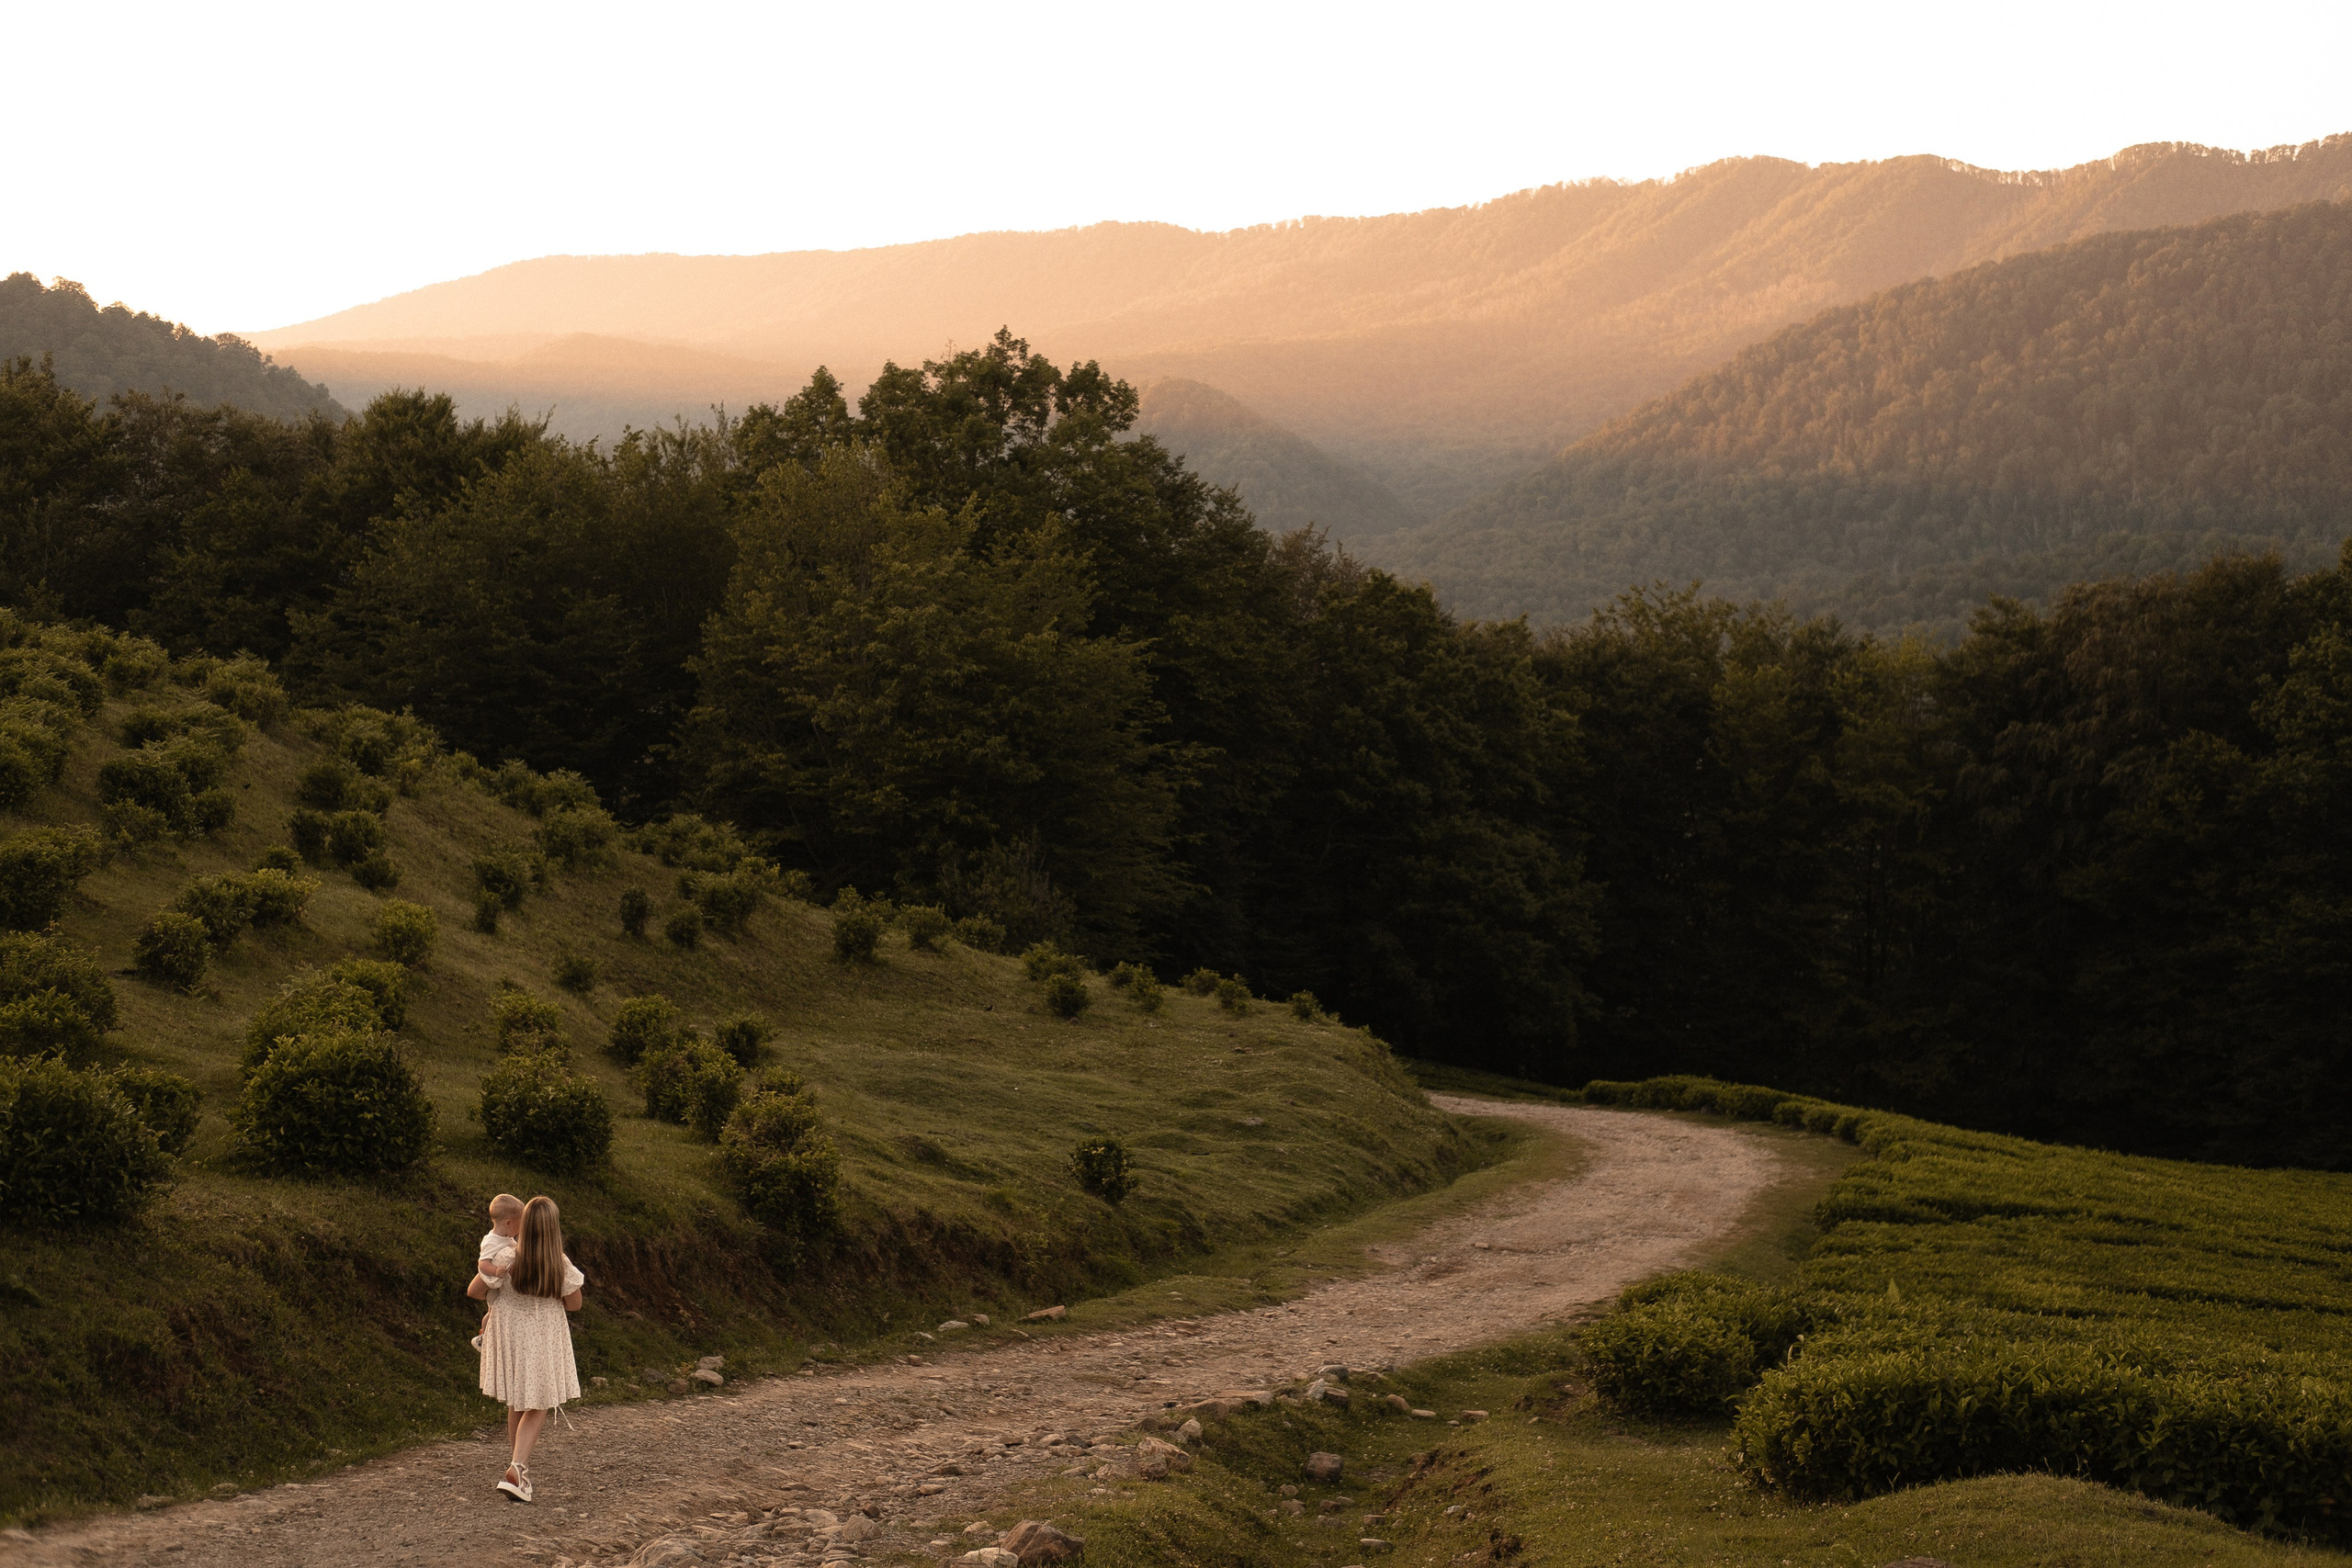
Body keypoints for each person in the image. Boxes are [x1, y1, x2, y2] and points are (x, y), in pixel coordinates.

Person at [474, 1194, 584, 1503]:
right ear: (552, 1230)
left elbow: (476, 1289)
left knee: (518, 1403)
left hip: (512, 1339)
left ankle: (516, 1473)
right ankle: (518, 1468)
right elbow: (575, 1304)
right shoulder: (558, 1263)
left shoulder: (506, 1258)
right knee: (538, 1403)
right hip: (542, 1336)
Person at [470, 1193, 525, 1351]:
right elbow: (482, 1264)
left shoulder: (507, 1238)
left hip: (500, 1282)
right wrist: (495, 1270)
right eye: (519, 1225)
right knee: (493, 1311)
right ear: (508, 1223)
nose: (521, 1229)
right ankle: (483, 1337)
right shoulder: (491, 1240)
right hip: (492, 1281)